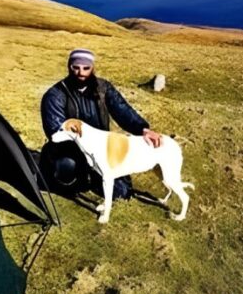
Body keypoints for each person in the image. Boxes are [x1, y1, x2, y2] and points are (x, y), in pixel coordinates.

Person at [39, 48, 162, 200]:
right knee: (67, 168)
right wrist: (87, 154)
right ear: (69, 67)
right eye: (75, 67)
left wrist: (143, 129)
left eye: (86, 68)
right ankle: (66, 177)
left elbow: (123, 111)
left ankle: (95, 177)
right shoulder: (55, 94)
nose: (81, 73)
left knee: (121, 193)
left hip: (102, 151)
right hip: (69, 151)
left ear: (92, 68)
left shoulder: (103, 88)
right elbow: (55, 130)